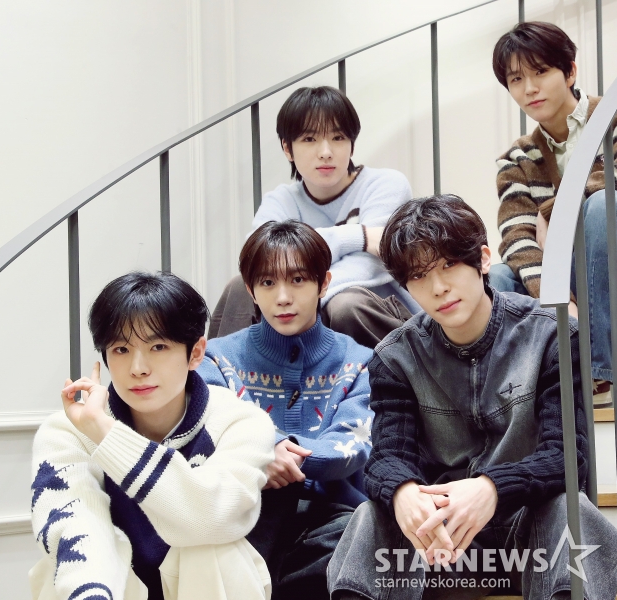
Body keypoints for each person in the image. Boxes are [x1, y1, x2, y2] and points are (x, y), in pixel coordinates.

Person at [327, 195, 617, 600]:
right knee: (370, 516)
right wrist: (403, 492)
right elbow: (386, 459)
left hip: (531, 539)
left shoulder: (550, 336)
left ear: (483, 260)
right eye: (419, 276)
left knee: (573, 512)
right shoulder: (396, 357)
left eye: (449, 265)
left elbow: (567, 456)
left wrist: (491, 488)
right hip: (445, 547)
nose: (438, 288)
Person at [490, 21, 617, 407]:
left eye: (541, 72)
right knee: (499, 275)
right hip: (573, 300)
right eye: (516, 79)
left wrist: (553, 211)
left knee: (605, 205)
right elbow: (517, 240)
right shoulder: (516, 160)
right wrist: (561, 304)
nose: (530, 88)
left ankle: (594, 376)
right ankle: (515, 395)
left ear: (570, 71)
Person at [29, 272, 274, 600]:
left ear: (195, 353)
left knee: (211, 549)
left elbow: (209, 519)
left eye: (158, 346)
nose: (138, 368)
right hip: (117, 589)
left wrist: (107, 435)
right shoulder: (67, 430)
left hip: (204, 584)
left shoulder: (240, 422)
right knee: (59, 570)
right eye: (121, 349)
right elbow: (77, 530)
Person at [197, 220, 374, 600]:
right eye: (267, 282)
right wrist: (266, 451)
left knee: (371, 540)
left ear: (323, 284)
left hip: (331, 522)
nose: (282, 297)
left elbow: (352, 445)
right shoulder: (215, 359)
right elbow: (209, 428)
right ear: (250, 289)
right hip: (244, 516)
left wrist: (273, 452)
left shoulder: (359, 362)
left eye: (297, 280)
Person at [209, 85, 418, 347]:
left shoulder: (385, 185)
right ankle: (220, 370)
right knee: (241, 286)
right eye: (310, 139)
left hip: (379, 313)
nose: (326, 152)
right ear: (287, 148)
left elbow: (371, 265)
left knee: (345, 304)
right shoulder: (281, 201)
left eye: (338, 137)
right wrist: (361, 236)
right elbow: (260, 262)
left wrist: (301, 288)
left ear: (352, 145)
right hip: (310, 314)